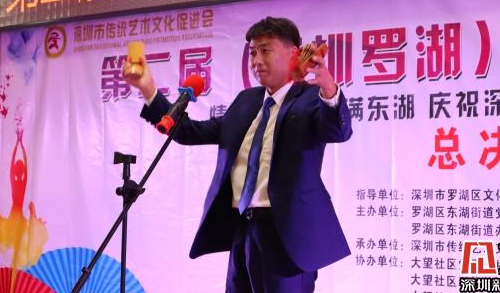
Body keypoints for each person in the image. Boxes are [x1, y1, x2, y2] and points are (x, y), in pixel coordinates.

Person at [123, 17, 353, 292]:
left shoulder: (311, 98)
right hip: (243, 229)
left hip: (286, 235)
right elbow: (188, 132)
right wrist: (147, 88)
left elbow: (338, 130)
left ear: (293, 52)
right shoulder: (247, 101)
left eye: (265, 50)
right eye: (253, 53)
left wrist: (329, 88)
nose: (256, 60)